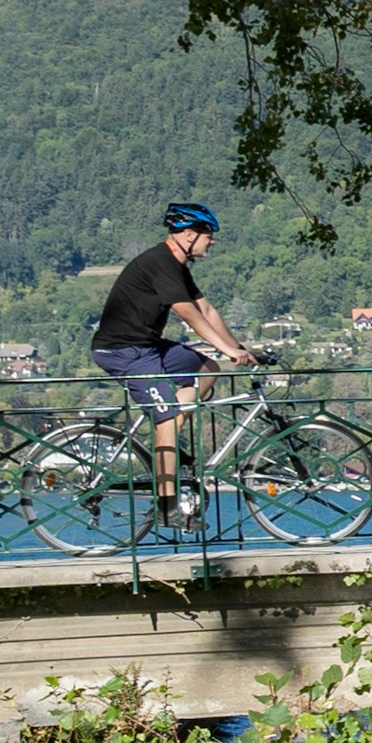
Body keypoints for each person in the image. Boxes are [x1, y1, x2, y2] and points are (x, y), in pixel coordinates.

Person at [87, 203, 251, 523]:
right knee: (166, 421)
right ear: (188, 235)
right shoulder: (160, 262)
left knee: (207, 369)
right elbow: (187, 314)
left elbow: (207, 311)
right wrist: (227, 350)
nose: (212, 241)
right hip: (123, 352)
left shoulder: (177, 266)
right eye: (209, 235)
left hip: (148, 346)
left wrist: (241, 348)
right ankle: (167, 507)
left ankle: (171, 440)